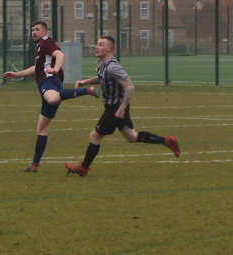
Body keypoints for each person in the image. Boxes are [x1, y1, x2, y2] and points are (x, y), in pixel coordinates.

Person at [64, 35, 180, 176]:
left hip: (115, 109)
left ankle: (83, 168)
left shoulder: (113, 66)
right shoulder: (102, 64)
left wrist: (121, 109)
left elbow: (129, 87)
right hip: (115, 107)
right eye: (97, 44)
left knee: (94, 137)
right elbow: (103, 77)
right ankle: (166, 141)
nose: (96, 47)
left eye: (101, 44)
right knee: (131, 137)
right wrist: (86, 81)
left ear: (109, 49)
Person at [4, 21, 100, 172]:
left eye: (37, 29)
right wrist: (17, 74)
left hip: (49, 81)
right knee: (41, 128)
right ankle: (35, 165)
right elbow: (37, 68)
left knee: (53, 99)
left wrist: (55, 69)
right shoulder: (40, 47)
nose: (34, 32)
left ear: (44, 32)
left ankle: (88, 90)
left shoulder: (46, 42)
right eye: (32, 30)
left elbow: (60, 54)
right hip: (48, 82)